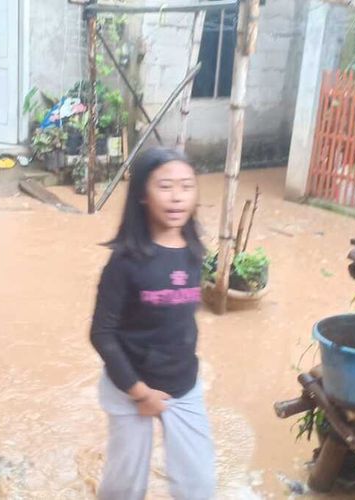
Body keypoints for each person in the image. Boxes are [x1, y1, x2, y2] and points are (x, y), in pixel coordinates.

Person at [90, 147, 215, 499]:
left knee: (199, 485)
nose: (177, 197)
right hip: (130, 387)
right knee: (124, 487)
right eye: (165, 186)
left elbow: (183, 320)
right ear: (143, 195)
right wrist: (140, 392)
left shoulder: (194, 250)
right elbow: (101, 333)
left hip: (184, 384)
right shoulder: (124, 261)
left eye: (186, 186)